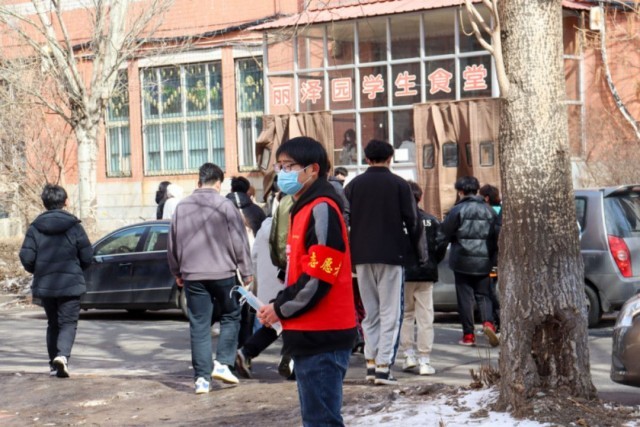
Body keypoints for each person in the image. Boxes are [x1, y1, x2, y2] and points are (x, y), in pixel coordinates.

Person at [257, 136, 357, 426]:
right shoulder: (301, 207)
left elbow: (319, 277)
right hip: (308, 332)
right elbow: (301, 271)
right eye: (279, 166)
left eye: (289, 166)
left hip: (323, 334)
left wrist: (281, 308)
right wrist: (279, 303)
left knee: (321, 421)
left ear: (313, 169)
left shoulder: (321, 208)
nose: (282, 173)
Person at [167, 163, 254, 394]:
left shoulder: (182, 207)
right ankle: (223, 363)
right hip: (223, 273)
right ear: (218, 183)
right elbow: (239, 241)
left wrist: (177, 272)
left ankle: (201, 379)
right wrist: (246, 272)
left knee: (199, 324)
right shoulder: (225, 206)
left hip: (193, 275)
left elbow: (172, 242)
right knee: (231, 315)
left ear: (199, 182)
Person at [344, 139, 425, 386]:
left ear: (367, 159)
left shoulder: (353, 185)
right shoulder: (400, 185)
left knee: (370, 312)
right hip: (391, 255)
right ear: (390, 158)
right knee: (391, 312)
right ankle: (383, 367)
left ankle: (371, 363)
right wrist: (420, 255)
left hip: (361, 256)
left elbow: (344, 220)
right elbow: (413, 221)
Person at [19, 184, 93, 378]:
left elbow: (26, 257)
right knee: (68, 323)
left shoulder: (35, 228)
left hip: (46, 285)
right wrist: (77, 269)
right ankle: (62, 356)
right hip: (71, 284)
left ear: (44, 203)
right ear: (65, 202)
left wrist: (39, 270)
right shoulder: (74, 227)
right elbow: (87, 256)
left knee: (53, 323)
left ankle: (54, 364)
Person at [438, 176, 499, 347]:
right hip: (484, 260)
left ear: (460, 191)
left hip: (461, 260)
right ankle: (488, 323)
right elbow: (496, 235)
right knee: (484, 295)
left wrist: (437, 254)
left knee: (465, 298)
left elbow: (444, 234)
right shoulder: (489, 211)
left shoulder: (457, 210)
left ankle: (469, 335)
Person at [399, 181, 447, 376]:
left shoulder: (396, 222)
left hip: (403, 274)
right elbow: (441, 244)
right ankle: (425, 360)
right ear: (420, 197)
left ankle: (408, 355)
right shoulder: (431, 220)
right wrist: (432, 261)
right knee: (425, 317)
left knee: (406, 315)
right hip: (426, 273)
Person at [235, 215, 285, 379]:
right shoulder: (289, 226)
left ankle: (246, 352)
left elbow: (254, 257)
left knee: (274, 325)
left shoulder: (264, 229)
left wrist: (256, 282)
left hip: (266, 285)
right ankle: (289, 360)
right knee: (288, 321)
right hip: (284, 283)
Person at [479, 183, 502, 331]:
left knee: (491, 290)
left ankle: (496, 321)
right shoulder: (503, 210)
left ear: (486, 198)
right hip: (504, 257)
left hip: (491, 257)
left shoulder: (487, 212)